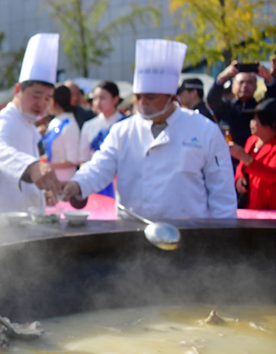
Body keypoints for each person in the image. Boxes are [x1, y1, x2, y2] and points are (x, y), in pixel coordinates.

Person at [62, 39, 236, 219]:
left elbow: (221, 191)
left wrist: (222, 236)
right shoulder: (123, 130)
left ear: (172, 98)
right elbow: (100, 166)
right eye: (138, 97)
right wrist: (77, 184)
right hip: (132, 230)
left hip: (189, 232)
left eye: (150, 97)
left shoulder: (204, 130)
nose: (142, 104)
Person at [0, 33, 63, 212]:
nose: (41, 104)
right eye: (36, 95)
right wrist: (30, 166)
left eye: (48, 98)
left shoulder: (27, 123)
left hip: (29, 220)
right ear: (18, 89)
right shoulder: (4, 121)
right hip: (7, 223)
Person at [207, 59, 276, 150]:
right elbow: (212, 99)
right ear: (233, 87)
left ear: (256, 86)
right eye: (241, 82)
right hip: (228, 158)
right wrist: (222, 77)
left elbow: (273, 100)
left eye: (250, 82)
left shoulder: (261, 108)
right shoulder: (225, 107)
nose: (245, 86)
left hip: (255, 156)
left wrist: (269, 79)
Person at [78, 80, 125, 197]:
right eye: (95, 98)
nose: (98, 102)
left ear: (116, 99)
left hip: (120, 183)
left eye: (103, 98)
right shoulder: (89, 125)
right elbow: (83, 158)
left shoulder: (126, 125)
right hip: (95, 181)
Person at [231, 98, 276, 210]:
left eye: (256, 119)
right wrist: (239, 177)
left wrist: (244, 157)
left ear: (271, 124)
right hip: (250, 207)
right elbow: (242, 166)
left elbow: (272, 175)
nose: (252, 122)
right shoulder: (251, 140)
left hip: (270, 210)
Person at [43, 84, 80, 182]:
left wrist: (46, 165)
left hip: (64, 182)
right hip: (51, 178)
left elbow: (72, 160)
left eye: (47, 99)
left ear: (53, 101)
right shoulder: (54, 122)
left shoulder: (69, 125)